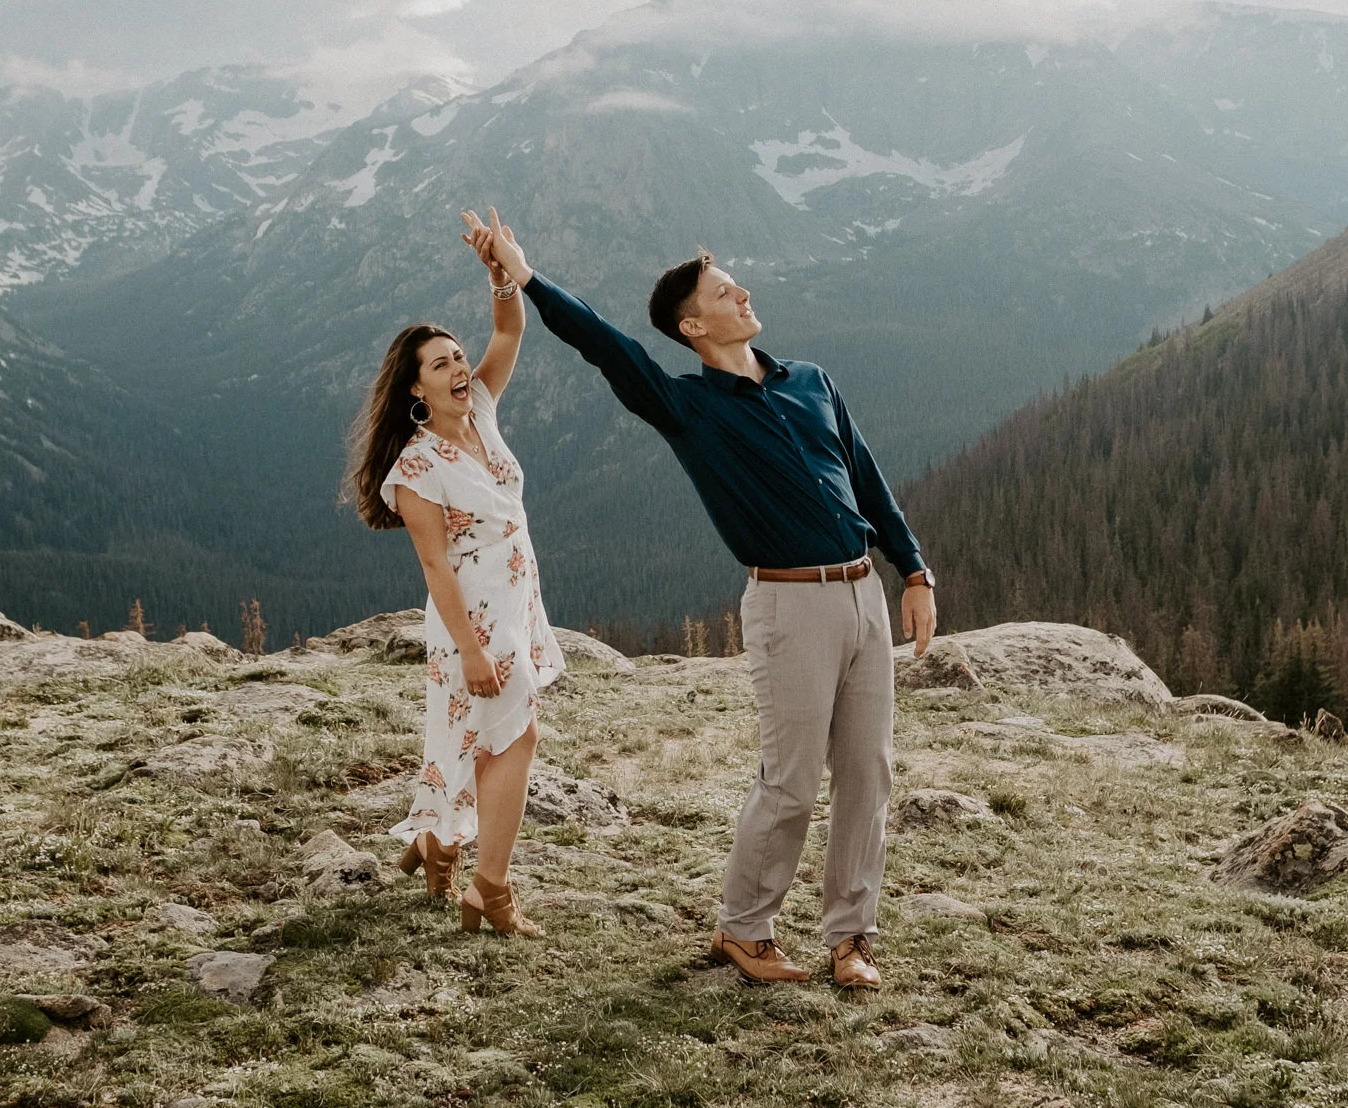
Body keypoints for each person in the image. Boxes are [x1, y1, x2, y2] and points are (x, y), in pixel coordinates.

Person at [462, 209, 936, 991]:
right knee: (789, 780)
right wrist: (524, 274)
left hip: (863, 595)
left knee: (868, 771)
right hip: (789, 607)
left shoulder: (812, 381)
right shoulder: (687, 405)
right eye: (725, 290)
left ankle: (851, 938)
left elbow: (869, 478)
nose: (743, 292)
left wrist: (912, 571)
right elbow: (605, 346)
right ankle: (743, 930)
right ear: (693, 323)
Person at [343, 221, 561, 937]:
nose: (459, 368)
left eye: (459, 357)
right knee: (509, 732)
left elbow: (510, 330)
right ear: (415, 388)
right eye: (440, 365)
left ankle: (437, 845)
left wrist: (500, 270)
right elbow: (436, 566)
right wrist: (469, 649)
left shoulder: (483, 411)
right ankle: (488, 892)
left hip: (517, 605)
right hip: (471, 622)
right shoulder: (415, 469)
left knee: (481, 740)